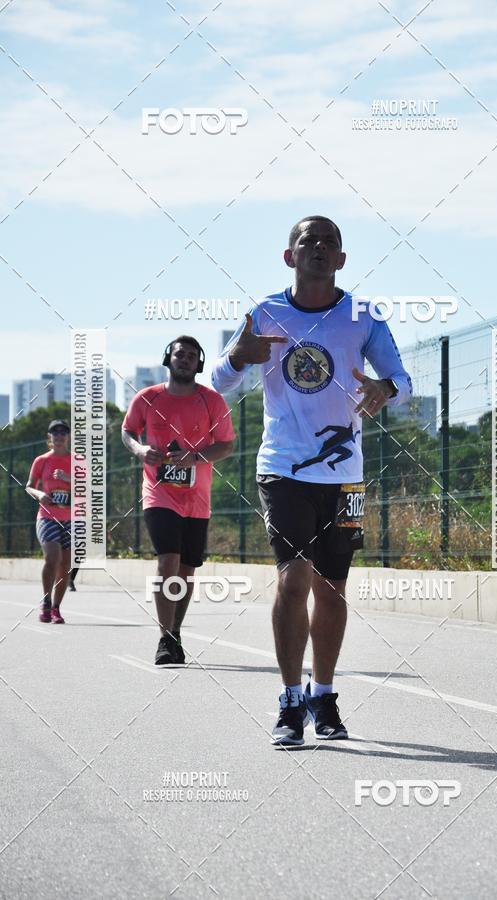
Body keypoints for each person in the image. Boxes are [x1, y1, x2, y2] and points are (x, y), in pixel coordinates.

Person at [212, 215, 412, 746]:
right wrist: (239, 355)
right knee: (293, 578)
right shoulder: (266, 313)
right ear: (289, 255)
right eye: (309, 241)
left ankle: (324, 695)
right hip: (284, 467)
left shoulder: (363, 315)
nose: (319, 248)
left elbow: (402, 379)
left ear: (342, 259)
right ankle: (290, 700)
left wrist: (384, 389)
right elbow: (219, 381)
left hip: (344, 477)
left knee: (332, 587)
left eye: (330, 243)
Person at [122, 336, 235, 665]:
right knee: (167, 560)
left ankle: (175, 633)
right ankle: (164, 636)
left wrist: (196, 456)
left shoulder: (212, 401)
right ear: (167, 359)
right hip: (158, 494)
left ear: (198, 363)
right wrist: (141, 450)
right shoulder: (148, 398)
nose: (184, 359)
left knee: (186, 569)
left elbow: (225, 445)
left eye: (190, 356)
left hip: (197, 498)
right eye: (178, 354)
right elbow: (128, 431)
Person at [26, 419, 73, 624]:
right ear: (50, 438)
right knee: (52, 558)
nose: (60, 436)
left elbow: (89, 488)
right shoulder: (41, 460)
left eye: (63, 432)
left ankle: (55, 608)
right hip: (47, 517)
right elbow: (29, 485)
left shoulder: (77, 460)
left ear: (68, 437)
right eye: (55, 433)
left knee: (65, 565)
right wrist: (39, 494)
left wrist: (68, 478)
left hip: (71, 518)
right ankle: (45, 601)